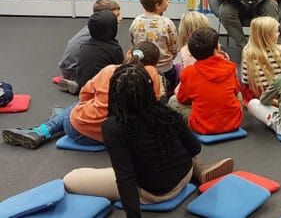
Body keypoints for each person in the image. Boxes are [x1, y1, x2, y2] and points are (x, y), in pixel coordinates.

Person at [63, 64, 234, 218]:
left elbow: (126, 178)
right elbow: (195, 148)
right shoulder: (165, 111)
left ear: (114, 93)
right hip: (184, 173)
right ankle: (199, 170)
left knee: (71, 179)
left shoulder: (113, 126)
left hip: (154, 192)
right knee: (164, 146)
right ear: (148, 88)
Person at [2, 42, 161, 150]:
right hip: (123, 136)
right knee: (76, 111)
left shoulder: (110, 71)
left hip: (84, 131)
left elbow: (84, 95)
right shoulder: (153, 77)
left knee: (77, 108)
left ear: (129, 53)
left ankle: (43, 129)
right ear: (154, 64)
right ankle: (58, 120)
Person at [168, 27, 242, 135]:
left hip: (203, 126)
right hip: (233, 122)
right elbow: (235, 91)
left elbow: (182, 99)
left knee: (173, 101)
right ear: (215, 50)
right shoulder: (229, 67)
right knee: (238, 93)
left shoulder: (189, 72)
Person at [58, 0, 122, 95]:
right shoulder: (101, 35)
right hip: (74, 70)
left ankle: (78, 84)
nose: (121, 18)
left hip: (67, 67)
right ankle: (79, 85)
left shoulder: (93, 29)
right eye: (116, 16)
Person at [130, 0, 178, 95]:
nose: (168, 1)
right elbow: (174, 46)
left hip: (142, 67)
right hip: (165, 69)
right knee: (168, 91)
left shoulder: (136, 21)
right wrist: (172, 56)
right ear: (158, 5)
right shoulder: (166, 23)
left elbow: (133, 44)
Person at [240, 16, 281, 105]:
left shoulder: (247, 52)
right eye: (276, 32)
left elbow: (245, 80)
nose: (278, 34)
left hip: (259, 97)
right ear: (267, 36)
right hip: (280, 94)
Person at [76, 10, 124, 91]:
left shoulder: (84, 45)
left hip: (84, 86)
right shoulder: (113, 48)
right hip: (102, 88)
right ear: (112, 28)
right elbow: (121, 70)